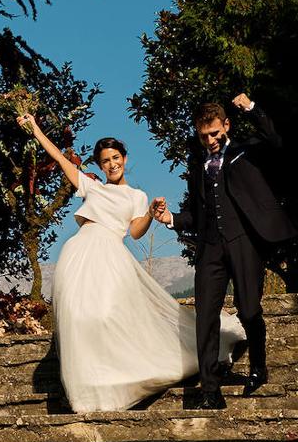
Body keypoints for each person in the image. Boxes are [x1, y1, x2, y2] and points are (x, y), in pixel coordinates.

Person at [17, 112, 244, 413]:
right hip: (77, 254)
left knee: (105, 314)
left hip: (110, 255)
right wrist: (34, 128)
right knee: (78, 317)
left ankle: (118, 378)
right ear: (99, 165)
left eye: (115, 158)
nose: (111, 164)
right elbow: (60, 159)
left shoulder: (137, 196)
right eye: (105, 161)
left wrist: (150, 212)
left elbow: (135, 232)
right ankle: (89, 392)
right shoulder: (92, 187)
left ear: (124, 158)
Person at [151, 94, 296, 409]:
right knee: (205, 316)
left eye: (215, 133)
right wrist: (170, 218)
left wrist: (252, 108)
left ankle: (258, 366)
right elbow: (196, 213)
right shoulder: (198, 165)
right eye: (204, 136)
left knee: (248, 310)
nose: (211, 140)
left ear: (226, 125)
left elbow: (274, 140)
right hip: (210, 247)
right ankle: (210, 391)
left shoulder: (246, 152)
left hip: (244, 241)